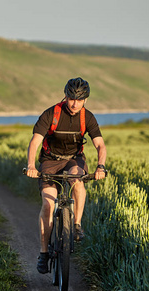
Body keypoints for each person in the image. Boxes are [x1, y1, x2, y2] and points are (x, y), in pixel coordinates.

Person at [25, 77, 107, 274]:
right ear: (66, 96)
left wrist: (100, 167)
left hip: (73, 160)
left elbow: (100, 144)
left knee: (77, 181)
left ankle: (76, 225)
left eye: (79, 100)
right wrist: (30, 165)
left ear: (85, 100)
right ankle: (44, 253)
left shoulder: (87, 117)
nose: (74, 104)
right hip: (50, 161)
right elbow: (35, 141)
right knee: (48, 204)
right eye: (71, 99)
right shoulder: (51, 114)